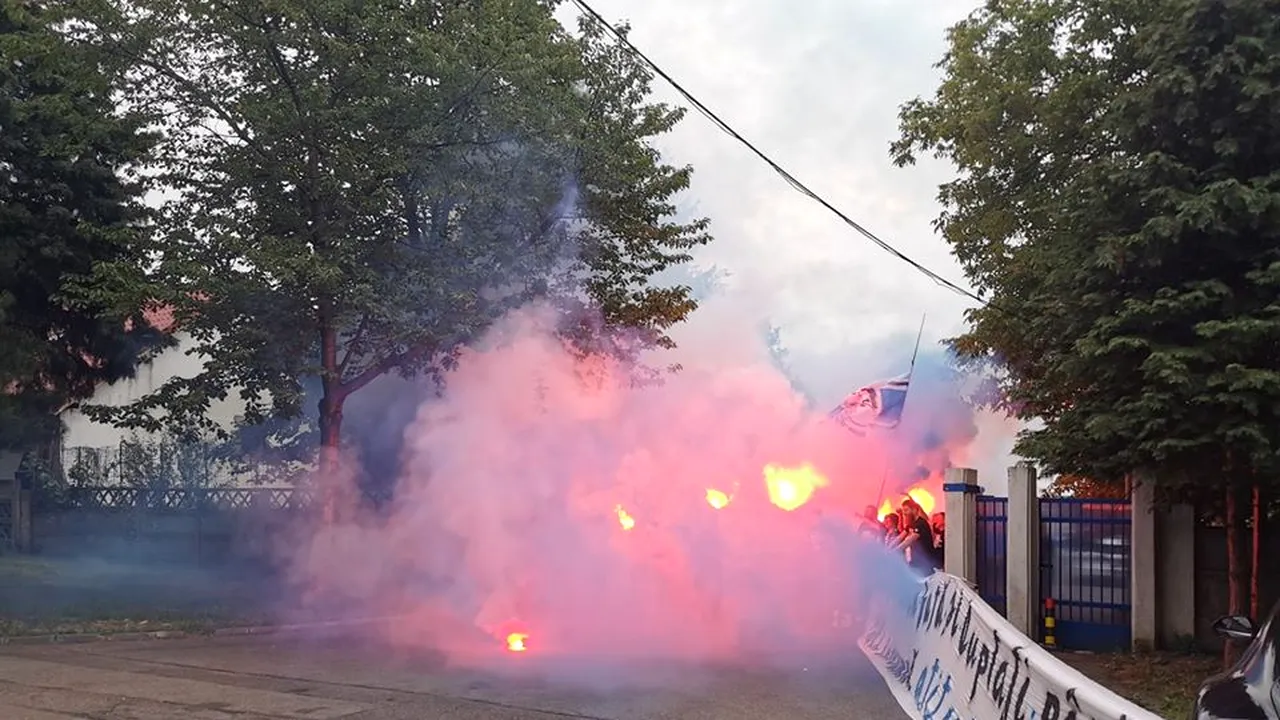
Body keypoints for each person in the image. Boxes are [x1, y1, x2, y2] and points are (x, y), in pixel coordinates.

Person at [890, 498, 936, 576]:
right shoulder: (911, 524)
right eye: (903, 511)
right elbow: (900, 537)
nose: (904, 513)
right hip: (915, 562)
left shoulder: (921, 524)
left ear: (914, 510)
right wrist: (887, 548)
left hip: (925, 563)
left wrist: (894, 551)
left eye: (906, 510)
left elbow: (909, 541)